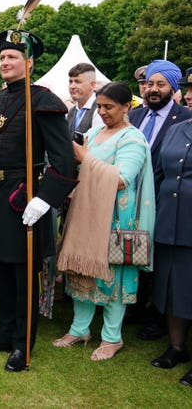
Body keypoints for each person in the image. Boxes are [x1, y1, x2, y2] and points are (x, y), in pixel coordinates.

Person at [0, 29, 77, 372]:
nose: (5, 62)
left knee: (22, 277)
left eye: (13, 57)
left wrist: (45, 200)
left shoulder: (43, 100)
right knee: (0, 271)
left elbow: (64, 161)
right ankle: (3, 334)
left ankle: (21, 344)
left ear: (28, 63)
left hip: (24, 199)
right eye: (2, 57)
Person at [54, 82, 155, 361]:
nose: (102, 112)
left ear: (126, 107)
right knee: (81, 272)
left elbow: (122, 179)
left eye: (108, 107)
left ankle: (112, 338)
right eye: (99, 106)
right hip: (86, 212)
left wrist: (85, 158)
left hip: (115, 218)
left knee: (112, 278)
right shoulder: (95, 131)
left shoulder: (132, 139)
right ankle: (79, 329)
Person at [128, 60, 192, 341]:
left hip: (166, 202)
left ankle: (157, 317)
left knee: (162, 263)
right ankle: (135, 307)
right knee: (134, 253)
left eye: (160, 84)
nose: (152, 90)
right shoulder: (134, 116)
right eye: (149, 84)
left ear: (173, 87)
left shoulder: (183, 118)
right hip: (133, 197)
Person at [150, 115, 192, 386]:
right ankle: (176, 347)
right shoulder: (177, 129)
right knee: (173, 285)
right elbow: (159, 174)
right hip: (170, 221)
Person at [66, 62, 105, 134]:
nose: (72, 86)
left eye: (77, 82)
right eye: (70, 82)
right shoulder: (72, 111)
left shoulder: (100, 110)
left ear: (92, 85)